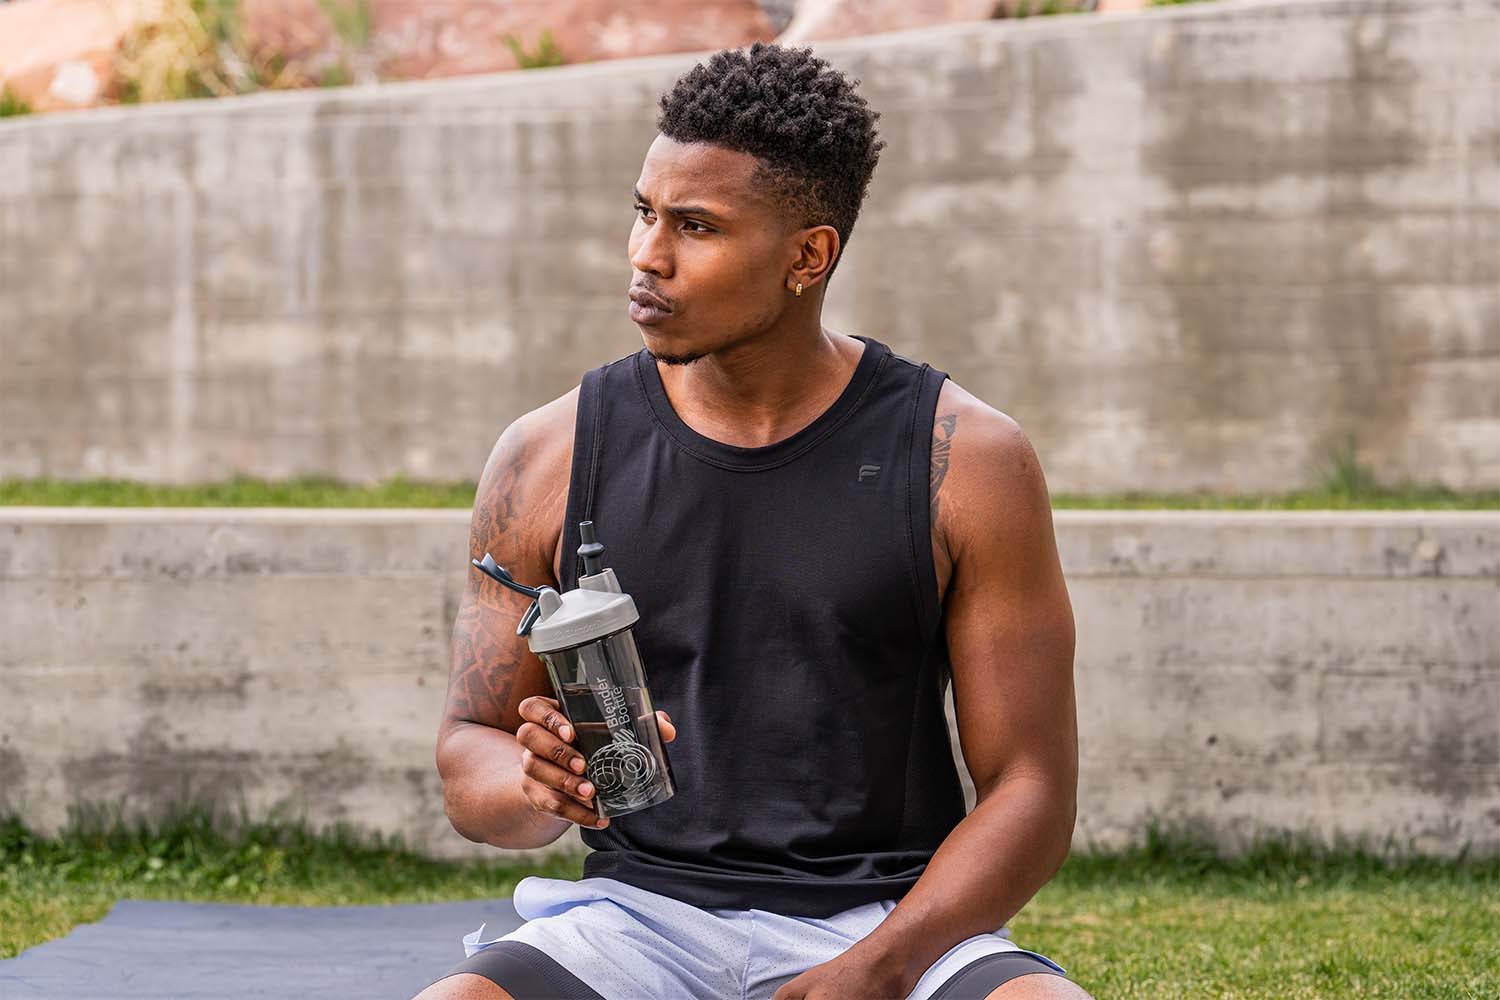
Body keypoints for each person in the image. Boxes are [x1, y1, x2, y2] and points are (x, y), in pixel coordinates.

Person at [416, 41, 1090, 1000]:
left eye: (696, 226)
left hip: (896, 916)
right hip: (637, 921)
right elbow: (465, 755)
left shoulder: (968, 460)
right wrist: (536, 786)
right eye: (644, 212)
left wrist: (877, 969)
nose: (648, 255)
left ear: (807, 256)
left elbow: (1032, 791)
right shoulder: (545, 456)